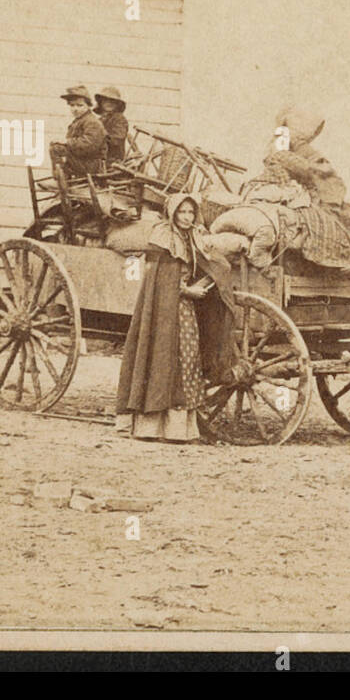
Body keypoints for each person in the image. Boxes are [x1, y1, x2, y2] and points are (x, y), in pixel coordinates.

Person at [116, 193, 237, 442]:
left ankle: (178, 429)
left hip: (185, 309)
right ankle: (151, 427)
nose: (186, 217)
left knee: (188, 360)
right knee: (164, 359)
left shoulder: (193, 237)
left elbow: (211, 263)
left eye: (191, 212)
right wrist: (187, 290)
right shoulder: (163, 238)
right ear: (172, 213)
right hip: (164, 311)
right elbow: (161, 279)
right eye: (182, 212)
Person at [58, 85, 106, 177]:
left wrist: (67, 142)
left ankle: (61, 180)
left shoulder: (92, 122)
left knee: (57, 149)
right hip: (85, 161)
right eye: (72, 105)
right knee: (58, 147)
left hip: (92, 165)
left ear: (88, 106)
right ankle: (63, 178)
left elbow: (89, 145)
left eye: (80, 105)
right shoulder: (79, 120)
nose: (75, 109)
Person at [94, 86, 129, 164]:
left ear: (117, 104)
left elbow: (117, 139)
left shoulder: (119, 119)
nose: (109, 103)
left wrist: (96, 141)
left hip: (112, 160)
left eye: (112, 101)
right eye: (105, 100)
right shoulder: (99, 120)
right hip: (100, 157)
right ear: (101, 102)